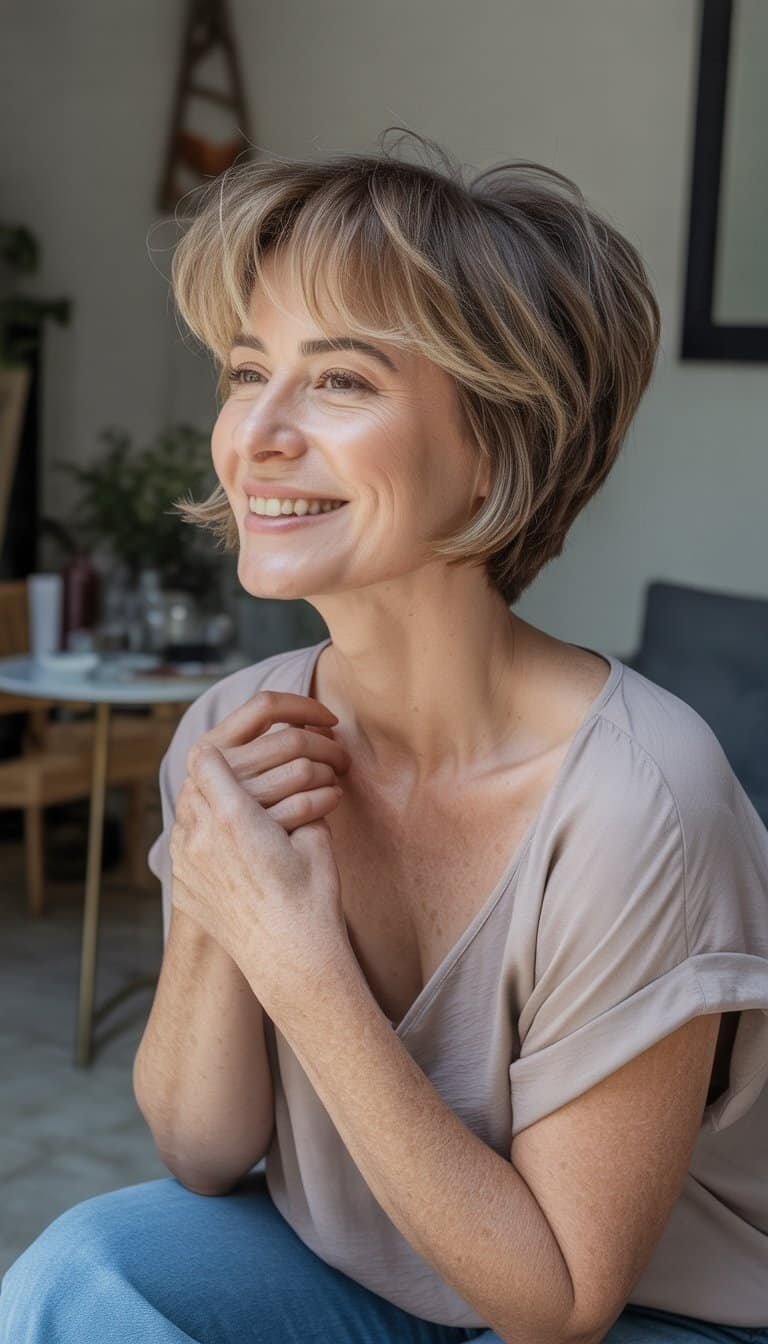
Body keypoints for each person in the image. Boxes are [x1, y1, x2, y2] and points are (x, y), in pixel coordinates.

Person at [2, 129, 767, 1344]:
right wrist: (217, 905)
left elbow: (560, 1302)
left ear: (497, 448)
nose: (257, 434)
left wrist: (297, 956)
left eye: (342, 381)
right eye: (248, 371)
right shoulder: (234, 733)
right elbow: (202, 1151)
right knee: (83, 1273)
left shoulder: (640, 800)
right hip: (373, 1274)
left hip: (648, 1314)